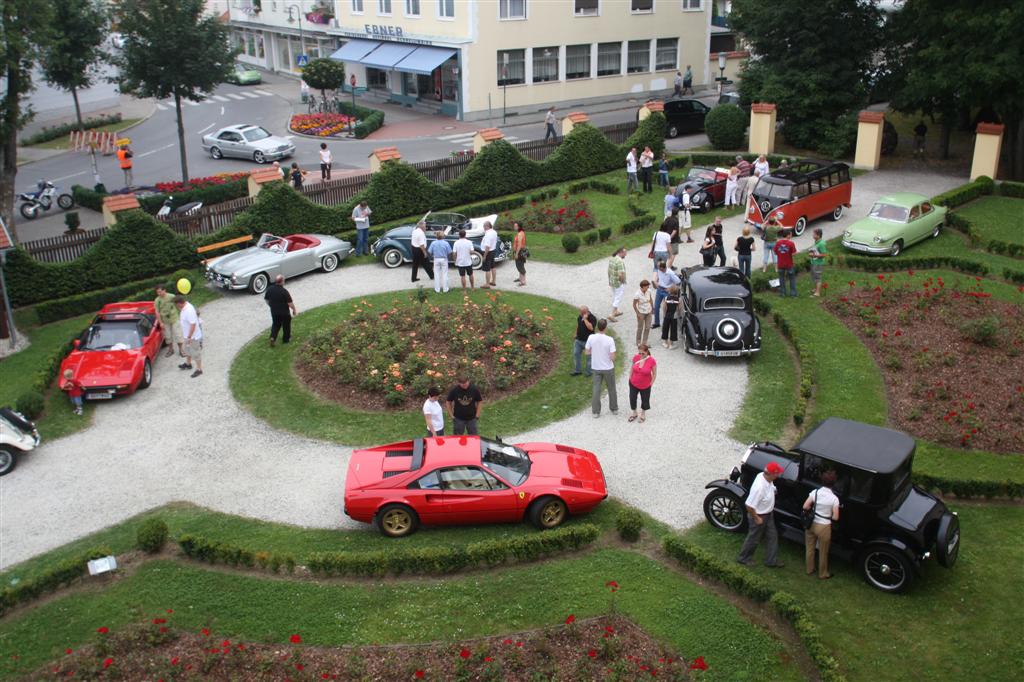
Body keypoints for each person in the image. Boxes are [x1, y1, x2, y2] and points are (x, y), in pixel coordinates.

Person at [737, 461, 786, 567]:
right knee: (754, 539)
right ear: (771, 474)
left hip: (768, 514)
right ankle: (743, 558)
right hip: (759, 516)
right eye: (777, 473)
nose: (778, 475)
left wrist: (773, 490)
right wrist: (757, 518)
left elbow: (771, 486)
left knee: (772, 536)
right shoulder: (759, 488)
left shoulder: (765, 477)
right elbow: (749, 505)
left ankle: (771, 561)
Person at [803, 469, 840, 579]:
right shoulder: (834, 499)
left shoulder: (815, 492)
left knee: (810, 547)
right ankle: (823, 573)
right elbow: (836, 517)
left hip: (812, 523)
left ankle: (809, 569)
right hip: (824, 526)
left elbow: (805, 506)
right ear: (834, 483)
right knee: (823, 551)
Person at [584, 318, 617, 417]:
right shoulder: (610, 339)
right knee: (611, 388)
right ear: (605, 327)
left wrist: (595, 353)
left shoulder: (591, 337)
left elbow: (587, 352)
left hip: (596, 367)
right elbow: (612, 357)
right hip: (608, 368)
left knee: (596, 389)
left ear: (597, 327)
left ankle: (596, 412)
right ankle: (614, 408)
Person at [627, 344, 657, 423]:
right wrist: (630, 378)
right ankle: (634, 413)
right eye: (639, 353)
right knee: (632, 398)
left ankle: (643, 414)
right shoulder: (636, 358)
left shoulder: (652, 360)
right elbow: (632, 368)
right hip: (633, 383)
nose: (641, 355)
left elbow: (654, 373)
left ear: (647, 352)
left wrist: (651, 383)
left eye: (643, 353)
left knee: (645, 400)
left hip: (645, 385)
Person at [174, 295, 203, 378]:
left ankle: (199, 369)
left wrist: (189, 337)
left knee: (195, 352)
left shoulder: (189, 310)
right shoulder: (185, 307)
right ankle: (188, 364)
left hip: (193, 337)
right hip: (187, 335)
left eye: (176, 304)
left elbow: (193, 324)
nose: (176, 306)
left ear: (179, 303)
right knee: (188, 350)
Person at [264, 275, 296, 346]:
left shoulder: (270, 289)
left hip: (274, 312)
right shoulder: (284, 291)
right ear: (281, 282)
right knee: (286, 326)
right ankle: (286, 339)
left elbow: (266, 299)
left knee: (275, 324)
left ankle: (273, 337)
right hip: (284, 313)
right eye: (283, 280)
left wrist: (271, 305)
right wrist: (294, 310)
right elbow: (290, 303)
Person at [154, 283, 183, 358]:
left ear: (164, 290)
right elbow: (157, 312)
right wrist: (160, 322)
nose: (159, 293)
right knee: (168, 336)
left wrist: (182, 314)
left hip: (174, 318)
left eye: (160, 291)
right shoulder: (157, 300)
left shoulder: (171, 296)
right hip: (165, 321)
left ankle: (181, 350)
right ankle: (171, 350)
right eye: (157, 292)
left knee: (178, 334)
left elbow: (178, 305)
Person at [652, 260, 680, 329]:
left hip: (667, 292)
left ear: (662, 268)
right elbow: (659, 277)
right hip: (659, 289)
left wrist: (670, 288)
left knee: (668, 308)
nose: (657, 268)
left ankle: (669, 323)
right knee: (656, 306)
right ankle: (657, 323)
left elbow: (678, 281)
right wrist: (656, 281)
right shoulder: (659, 270)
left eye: (658, 267)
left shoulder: (670, 273)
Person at [572, 305, 597, 377]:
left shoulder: (592, 318)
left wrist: (585, 319)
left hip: (588, 342)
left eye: (581, 313)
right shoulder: (580, 316)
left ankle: (589, 372)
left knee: (589, 357)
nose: (580, 314)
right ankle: (577, 370)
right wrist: (576, 333)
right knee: (576, 354)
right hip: (578, 340)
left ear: (585, 312)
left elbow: (591, 328)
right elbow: (578, 325)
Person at [774, 229, 798, 297]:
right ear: (788, 235)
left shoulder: (778, 243)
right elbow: (794, 253)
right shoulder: (791, 243)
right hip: (789, 264)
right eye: (790, 234)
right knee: (792, 279)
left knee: (781, 278)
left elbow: (775, 252)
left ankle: (782, 293)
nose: (791, 235)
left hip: (780, 264)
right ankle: (793, 294)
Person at [607, 247, 627, 322]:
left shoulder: (612, 259)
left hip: (612, 281)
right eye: (625, 253)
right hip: (618, 283)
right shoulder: (620, 261)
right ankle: (612, 315)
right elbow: (620, 274)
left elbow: (608, 271)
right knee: (618, 298)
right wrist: (623, 281)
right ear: (621, 253)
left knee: (615, 296)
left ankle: (616, 311)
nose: (625, 255)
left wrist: (609, 280)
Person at [632, 279, 654, 347]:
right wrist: (637, 313)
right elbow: (634, 304)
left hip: (648, 311)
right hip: (641, 312)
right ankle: (638, 342)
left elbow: (650, 299)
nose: (648, 288)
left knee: (647, 327)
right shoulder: (637, 294)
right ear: (643, 287)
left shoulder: (649, 291)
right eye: (647, 286)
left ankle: (644, 342)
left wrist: (652, 308)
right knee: (640, 327)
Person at [808, 227, 828, 297]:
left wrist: (813, 255)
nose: (812, 235)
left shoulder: (822, 244)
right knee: (814, 276)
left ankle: (817, 292)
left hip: (818, 263)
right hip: (814, 262)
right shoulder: (817, 242)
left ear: (818, 235)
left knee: (817, 277)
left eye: (814, 234)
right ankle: (816, 288)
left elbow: (824, 254)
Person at [660, 284, 680, 349]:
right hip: (674, 316)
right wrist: (679, 314)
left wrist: (664, 314)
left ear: (670, 291)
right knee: (673, 329)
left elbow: (664, 307)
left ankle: (665, 342)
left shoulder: (666, 298)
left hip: (667, 315)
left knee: (665, 328)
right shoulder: (679, 299)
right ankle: (671, 344)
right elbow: (679, 308)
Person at [480, 221, 498, 288]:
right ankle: (493, 281)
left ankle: (487, 284)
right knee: (493, 266)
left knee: (487, 268)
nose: (483, 228)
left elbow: (487, 246)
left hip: (488, 252)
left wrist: (484, 256)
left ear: (487, 226)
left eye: (484, 226)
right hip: (493, 250)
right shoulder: (494, 232)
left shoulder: (488, 234)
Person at [512, 222, 527, 286]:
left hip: (520, 251)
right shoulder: (520, 233)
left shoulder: (520, 234)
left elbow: (519, 245)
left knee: (520, 266)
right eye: (514, 226)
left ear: (519, 227)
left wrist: (516, 254)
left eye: (515, 226)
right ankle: (520, 278)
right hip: (519, 251)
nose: (514, 227)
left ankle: (523, 282)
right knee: (519, 265)